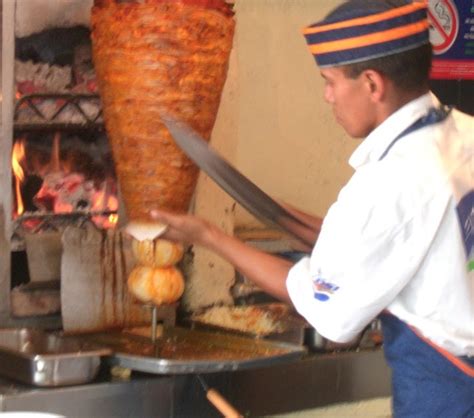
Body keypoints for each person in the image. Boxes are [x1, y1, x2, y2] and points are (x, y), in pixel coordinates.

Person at [151, 1, 474, 416]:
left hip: (447, 393)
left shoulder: (390, 181)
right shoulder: (462, 131)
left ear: (372, 84)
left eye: (330, 81)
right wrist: (280, 213)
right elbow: (397, 240)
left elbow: (328, 315)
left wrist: (208, 236)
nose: (327, 97)